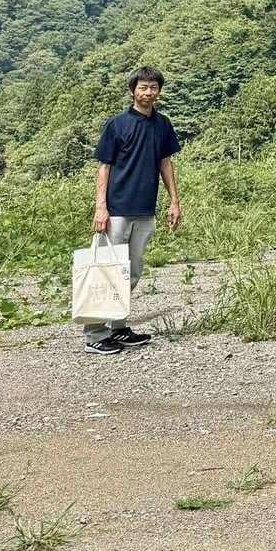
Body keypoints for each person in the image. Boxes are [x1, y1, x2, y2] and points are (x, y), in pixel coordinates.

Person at [84, 67, 183, 356]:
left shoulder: (162, 125)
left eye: (153, 87)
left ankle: (118, 327)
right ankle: (94, 335)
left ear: (159, 92)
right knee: (106, 272)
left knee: (132, 272)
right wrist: (100, 207)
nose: (148, 92)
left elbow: (166, 163)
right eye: (143, 87)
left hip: (145, 210)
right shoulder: (117, 125)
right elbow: (104, 168)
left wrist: (174, 201)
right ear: (132, 91)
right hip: (116, 211)